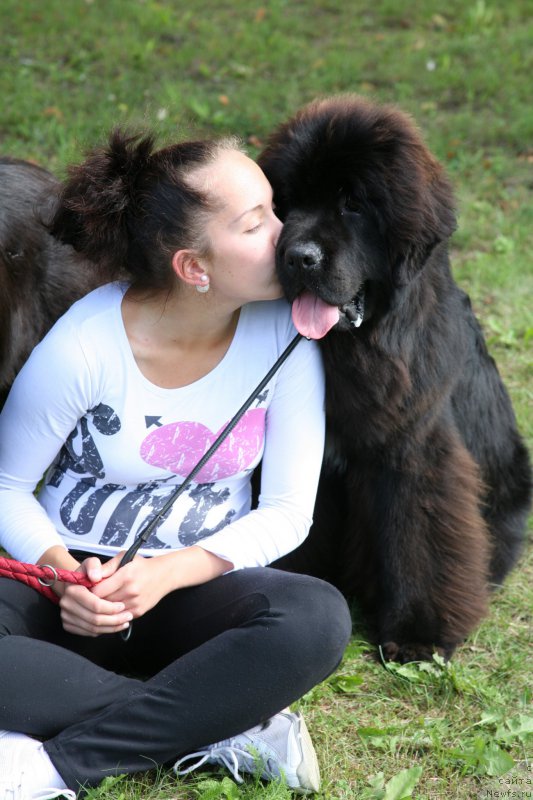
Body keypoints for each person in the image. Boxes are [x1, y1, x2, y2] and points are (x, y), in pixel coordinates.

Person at [0, 130, 352, 799]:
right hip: (72, 589)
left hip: (196, 587)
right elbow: (7, 487)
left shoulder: (288, 332)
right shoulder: (86, 343)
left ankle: (52, 765)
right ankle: (222, 723)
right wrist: (64, 573)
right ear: (195, 268)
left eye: (273, 209)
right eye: (255, 223)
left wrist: (168, 574)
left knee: (316, 617)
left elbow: (284, 512)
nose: (284, 234)